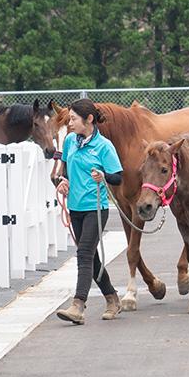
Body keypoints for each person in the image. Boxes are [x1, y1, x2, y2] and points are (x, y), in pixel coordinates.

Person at [54, 99, 124, 324]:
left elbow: (118, 177)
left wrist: (104, 176)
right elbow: (65, 169)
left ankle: (78, 305)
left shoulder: (104, 147)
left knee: (84, 254)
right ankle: (112, 298)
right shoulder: (69, 142)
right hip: (75, 208)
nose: (70, 123)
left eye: (73, 119)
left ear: (89, 120)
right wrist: (63, 182)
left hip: (96, 208)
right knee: (91, 258)